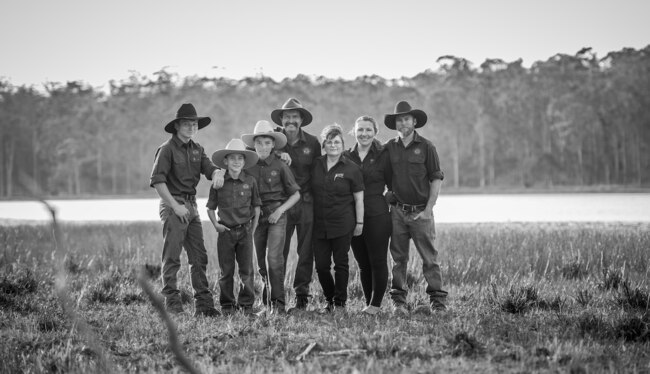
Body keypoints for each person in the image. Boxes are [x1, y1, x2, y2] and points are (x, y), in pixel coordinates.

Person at [149, 103, 222, 317]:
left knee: (199, 256)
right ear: (177, 126)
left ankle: (204, 305)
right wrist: (175, 206)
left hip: (192, 207)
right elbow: (158, 182)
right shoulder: (167, 149)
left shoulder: (197, 149)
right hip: (174, 206)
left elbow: (209, 168)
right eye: (187, 124)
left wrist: (217, 172)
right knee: (172, 257)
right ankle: (172, 304)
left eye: (194, 124)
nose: (191, 127)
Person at [383, 101, 448, 315]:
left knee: (430, 259)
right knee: (398, 258)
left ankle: (438, 303)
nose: (403, 123)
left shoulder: (427, 147)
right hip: (398, 213)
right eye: (399, 120)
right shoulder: (389, 147)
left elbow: (436, 178)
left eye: (406, 119)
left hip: (421, 211)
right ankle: (399, 302)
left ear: (414, 121)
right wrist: (387, 195)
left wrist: (429, 209)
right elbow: (378, 173)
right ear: (395, 124)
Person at [242, 120, 301, 314]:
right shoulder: (246, 165)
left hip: (277, 215)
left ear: (273, 144)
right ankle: (266, 303)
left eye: (268, 143)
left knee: (274, 258)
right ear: (254, 144)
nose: (263, 147)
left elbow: (296, 194)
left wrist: (279, 211)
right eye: (259, 143)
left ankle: (279, 305)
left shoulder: (281, 164)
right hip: (256, 218)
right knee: (260, 262)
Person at [271, 98, 321, 312]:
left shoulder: (312, 142)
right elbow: (252, 153)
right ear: (281, 119)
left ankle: (301, 298)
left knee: (305, 252)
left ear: (301, 120)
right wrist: (276, 152)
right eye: (287, 116)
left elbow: (319, 174)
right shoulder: (272, 139)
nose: (291, 120)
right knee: (277, 252)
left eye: (295, 117)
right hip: (280, 204)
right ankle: (276, 298)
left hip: (306, 203)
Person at [311, 124, 364, 313]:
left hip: (343, 223)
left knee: (341, 264)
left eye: (337, 142)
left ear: (342, 144)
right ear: (324, 145)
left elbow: (359, 198)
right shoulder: (315, 164)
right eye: (329, 142)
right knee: (322, 266)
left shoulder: (352, 168)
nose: (333, 145)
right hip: (319, 224)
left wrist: (359, 223)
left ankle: (340, 303)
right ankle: (330, 300)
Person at [206, 139, 261, 315]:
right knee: (226, 271)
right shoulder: (219, 183)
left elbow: (257, 207)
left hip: (245, 230)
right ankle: (227, 306)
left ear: (244, 162)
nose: (236, 161)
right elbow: (210, 207)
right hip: (226, 232)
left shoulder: (250, 181)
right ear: (226, 161)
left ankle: (246, 306)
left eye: (240, 158)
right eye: (232, 158)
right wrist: (216, 225)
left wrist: (251, 230)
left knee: (247, 271)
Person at [344, 116, 392, 315]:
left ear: (375, 132)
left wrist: (386, 202)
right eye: (360, 130)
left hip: (377, 215)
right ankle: (368, 303)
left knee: (378, 260)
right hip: (352, 216)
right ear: (354, 132)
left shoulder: (383, 154)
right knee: (363, 263)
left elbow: (392, 185)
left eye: (368, 130)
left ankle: (376, 305)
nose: (364, 134)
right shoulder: (346, 156)